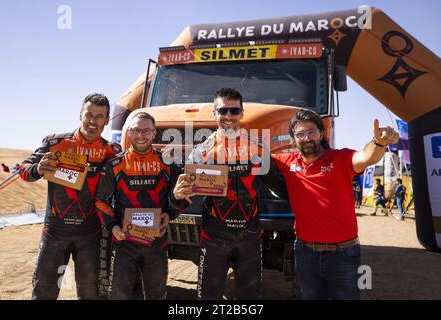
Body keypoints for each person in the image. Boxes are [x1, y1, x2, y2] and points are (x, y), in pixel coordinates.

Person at [272, 109, 399, 300]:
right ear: (293, 138)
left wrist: (379, 142)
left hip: (343, 253)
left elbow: (366, 157)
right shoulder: (287, 162)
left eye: (311, 132)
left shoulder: (341, 158)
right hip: (305, 253)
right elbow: (256, 157)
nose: (306, 138)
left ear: (321, 134)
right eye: (300, 134)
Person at [188, 88, 288, 300]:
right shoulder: (200, 151)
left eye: (234, 111)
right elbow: (184, 191)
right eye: (223, 110)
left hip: (250, 237)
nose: (228, 116)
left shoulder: (258, 149)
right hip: (213, 236)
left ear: (242, 113)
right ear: (214, 113)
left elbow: (278, 187)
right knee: (208, 296)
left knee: (249, 298)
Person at [19, 93, 121, 300]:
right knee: (44, 293)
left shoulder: (112, 151)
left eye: (99, 116)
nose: (93, 121)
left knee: (91, 294)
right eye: (89, 114)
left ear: (107, 120)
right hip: (54, 233)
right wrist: (38, 169)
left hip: (91, 234)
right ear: (80, 115)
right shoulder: (55, 143)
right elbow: (23, 169)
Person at [95, 112, 193, 300]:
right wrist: (113, 226)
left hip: (156, 243)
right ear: (129, 133)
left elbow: (181, 197)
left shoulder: (167, 161)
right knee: (119, 295)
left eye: (146, 130)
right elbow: (101, 201)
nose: (141, 135)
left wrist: (170, 215)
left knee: (156, 295)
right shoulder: (114, 163)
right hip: (123, 243)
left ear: (154, 133)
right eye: (136, 130)